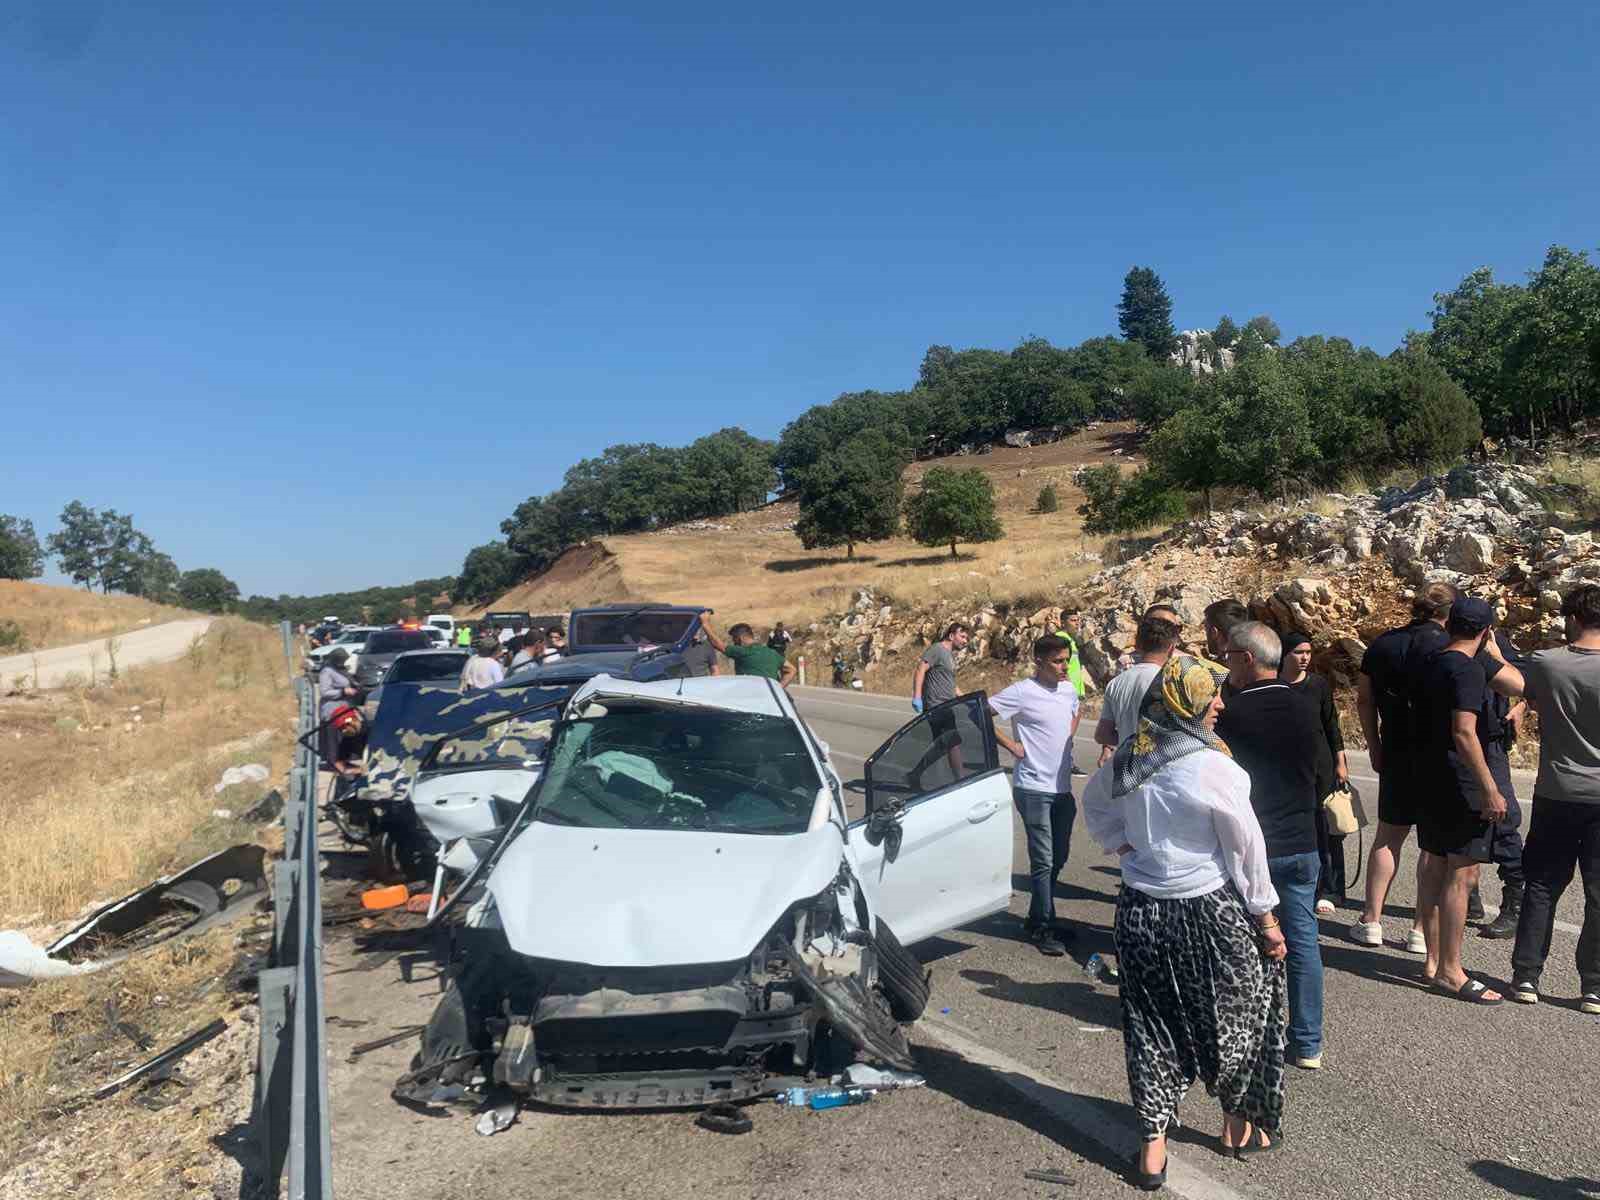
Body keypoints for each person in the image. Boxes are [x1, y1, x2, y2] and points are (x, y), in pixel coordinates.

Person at [1082, 654, 1288, 1185]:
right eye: (1210, 695)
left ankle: (1153, 1149)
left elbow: (1094, 805)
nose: (1219, 703)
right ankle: (1235, 1124)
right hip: (1208, 913)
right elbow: (1246, 851)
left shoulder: (1130, 759)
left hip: (1140, 911)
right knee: (1236, 1017)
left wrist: (1125, 847)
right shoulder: (1215, 768)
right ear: (1186, 704)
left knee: (1150, 1028)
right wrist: (1267, 920)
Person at [1216, 621, 1327, 1070]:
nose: (1226, 667)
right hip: (1302, 840)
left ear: (1247, 658)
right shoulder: (1305, 706)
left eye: (1229, 658)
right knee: (1303, 942)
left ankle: (1248, 1034)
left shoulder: (1232, 715)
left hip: (1253, 845)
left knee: (1244, 943)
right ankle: (1307, 1042)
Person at [1412, 596, 1521, 1005]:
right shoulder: (1470, 670)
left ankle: (1433, 961)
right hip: (1460, 782)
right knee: (1462, 873)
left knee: (1435, 867)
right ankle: (1452, 970)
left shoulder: (1430, 663)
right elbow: (1464, 732)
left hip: (1430, 778)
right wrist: (1489, 786)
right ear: (1486, 631)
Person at [1495, 585, 1600, 1010]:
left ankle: (1526, 977)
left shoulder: (1547, 663)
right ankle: (1593, 986)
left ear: (1571, 619)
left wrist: (1485, 639)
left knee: (1541, 885)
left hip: (1557, 792)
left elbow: (1506, 678)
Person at [1349, 582, 1457, 952]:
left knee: (1388, 837)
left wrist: (1375, 745)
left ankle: (1371, 920)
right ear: (1449, 612)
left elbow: (1364, 700)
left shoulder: (1382, 644)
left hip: (1395, 748)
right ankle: (1419, 931)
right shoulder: (1449, 647)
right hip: (1438, 754)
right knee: (1432, 845)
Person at [989, 636, 1082, 957]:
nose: (1063, 667)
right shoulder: (1021, 692)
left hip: (1062, 790)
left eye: (1066, 660)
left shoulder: (1068, 689)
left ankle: (1035, 916)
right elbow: (978, 714)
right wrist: (1012, 746)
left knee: (1059, 857)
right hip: (1033, 789)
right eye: (1057, 661)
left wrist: (1067, 736)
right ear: (1039, 662)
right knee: (1042, 861)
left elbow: (1075, 709)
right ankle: (1043, 926)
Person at [1278, 631, 1350, 913]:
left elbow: (1332, 726)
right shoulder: (1273, 685)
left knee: (1329, 829)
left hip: (1321, 769)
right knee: (1298, 828)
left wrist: (1341, 762)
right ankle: (1299, 884)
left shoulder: (1318, 685)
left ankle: (1331, 890)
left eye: (1308, 652)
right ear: (1284, 654)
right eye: (1299, 652)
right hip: (1287, 771)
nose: (1305, 657)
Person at [1095, 615, 1180, 767]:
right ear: (1171, 648)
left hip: (1126, 768)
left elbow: (1102, 735)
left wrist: (1127, 738)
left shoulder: (1116, 683)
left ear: (1137, 644)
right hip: (1162, 769)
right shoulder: (1171, 681)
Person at [700, 612, 796, 684]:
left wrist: (705, 624)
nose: (734, 643)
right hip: (770, 700)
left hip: (750, 699)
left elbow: (717, 644)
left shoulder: (742, 652)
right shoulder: (772, 653)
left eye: (734, 639)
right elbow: (792, 670)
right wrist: (779, 688)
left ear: (740, 638)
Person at [317, 649, 361, 768]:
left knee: (348, 733)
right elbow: (324, 691)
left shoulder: (341, 670)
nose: (343, 662)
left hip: (345, 708)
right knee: (334, 737)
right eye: (341, 660)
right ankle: (334, 762)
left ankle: (345, 759)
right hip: (332, 710)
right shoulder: (326, 672)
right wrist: (343, 691)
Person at [912, 623, 969, 713]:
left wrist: (966, 700)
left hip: (948, 706)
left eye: (966, 638)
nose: (965, 641)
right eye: (962, 637)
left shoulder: (950, 656)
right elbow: (920, 669)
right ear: (951, 636)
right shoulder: (937, 649)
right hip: (935, 706)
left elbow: (951, 684)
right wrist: (917, 696)